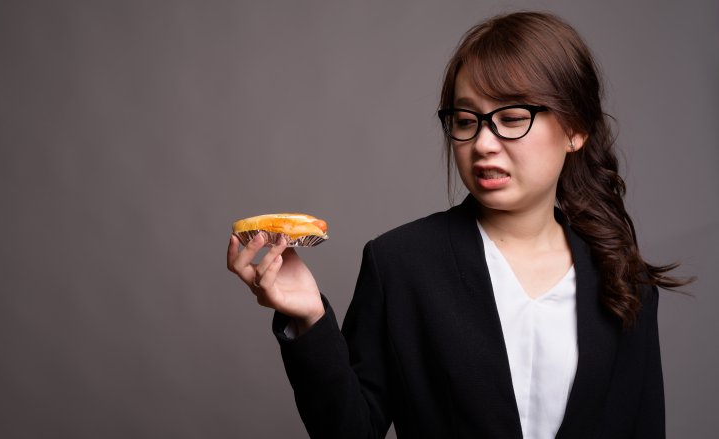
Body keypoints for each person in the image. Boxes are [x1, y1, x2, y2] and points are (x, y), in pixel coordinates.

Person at [227, 11, 689, 439]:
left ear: (575, 129)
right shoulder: (400, 264)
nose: (483, 143)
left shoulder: (625, 280)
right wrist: (308, 319)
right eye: (466, 120)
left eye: (511, 118)